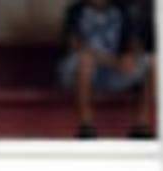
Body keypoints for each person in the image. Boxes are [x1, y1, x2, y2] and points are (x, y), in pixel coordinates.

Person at [58, 0, 155, 139]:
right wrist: (112, 61)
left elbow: (134, 41)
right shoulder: (75, 10)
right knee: (86, 61)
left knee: (151, 62)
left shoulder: (122, 10)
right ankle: (86, 126)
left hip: (110, 72)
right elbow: (76, 45)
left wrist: (131, 56)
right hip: (75, 72)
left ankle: (142, 125)